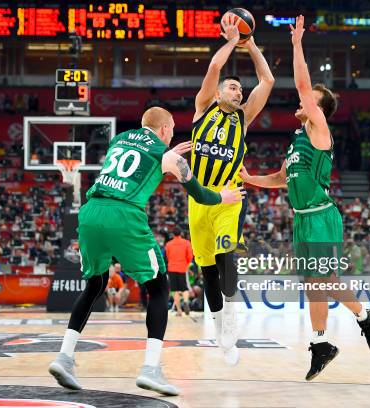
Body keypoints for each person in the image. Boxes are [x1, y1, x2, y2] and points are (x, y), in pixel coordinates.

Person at [48, 107, 244, 396]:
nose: (174, 132)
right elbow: (200, 194)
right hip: (124, 215)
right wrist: (223, 196)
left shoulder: (121, 139)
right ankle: (151, 369)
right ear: (164, 129)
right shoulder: (170, 157)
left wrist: (168, 157)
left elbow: (145, 156)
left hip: (91, 213)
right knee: (158, 288)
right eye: (173, 127)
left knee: (96, 284)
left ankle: (64, 357)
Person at [239, 15, 370, 381]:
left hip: (320, 215)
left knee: (325, 281)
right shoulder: (296, 142)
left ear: (318, 107)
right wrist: (250, 178)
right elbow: (280, 178)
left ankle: (361, 318)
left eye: (309, 100)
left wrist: (297, 43)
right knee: (314, 284)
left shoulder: (319, 129)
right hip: (302, 217)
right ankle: (323, 343)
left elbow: (303, 83)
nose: (300, 102)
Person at [189, 14, 274, 365]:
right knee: (207, 270)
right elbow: (213, 67)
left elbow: (267, 80)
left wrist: (250, 44)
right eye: (232, 87)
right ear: (219, 93)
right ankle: (222, 325)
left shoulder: (243, 118)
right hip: (199, 199)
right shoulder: (202, 108)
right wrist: (230, 40)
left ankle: (232, 316)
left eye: (240, 88)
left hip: (229, 197)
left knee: (227, 257)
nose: (238, 91)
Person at [164, 227, 193, 316]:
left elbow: (167, 256)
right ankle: (185, 301)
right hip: (182, 268)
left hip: (172, 268)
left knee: (174, 290)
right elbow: (190, 256)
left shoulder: (168, 244)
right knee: (184, 288)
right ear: (181, 233)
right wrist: (186, 264)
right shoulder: (186, 243)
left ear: (173, 234)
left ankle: (179, 311)